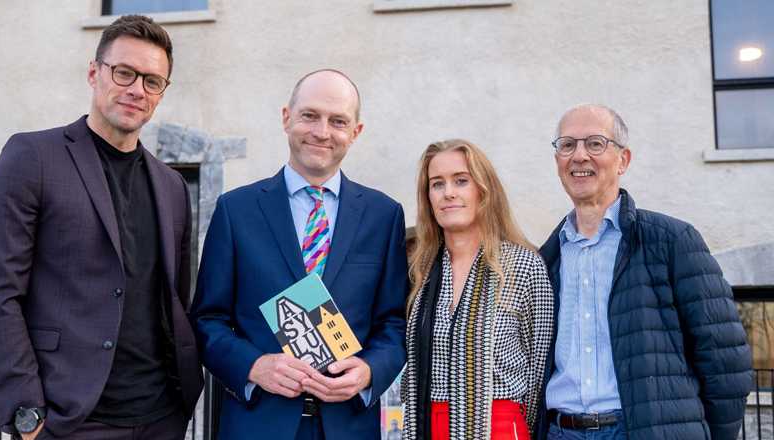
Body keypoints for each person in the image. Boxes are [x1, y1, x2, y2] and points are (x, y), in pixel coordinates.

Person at [0, 15, 203, 440]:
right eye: (124, 72)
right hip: (69, 420)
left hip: (161, 417)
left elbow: (176, 299)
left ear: (161, 92)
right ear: (94, 73)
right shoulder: (32, 157)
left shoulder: (172, 185)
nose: (137, 89)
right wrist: (25, 414)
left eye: (152, 81)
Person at [190, 69, 409, 440]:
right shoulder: (236, 210)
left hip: (349, 426)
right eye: (310, 115)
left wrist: (370, 371)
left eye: (338, 121)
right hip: (257, 425)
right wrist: (254, 366)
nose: (322, 132)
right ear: (286, 118)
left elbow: (392, 323)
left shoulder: (384, 216)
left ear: (355, 132)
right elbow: (207, 319)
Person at [535, 103, 752, 440]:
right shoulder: (545, 261)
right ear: (557, 161)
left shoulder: (672, 241)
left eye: (595, 143)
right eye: (567, 145)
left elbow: (724, 362)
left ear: (623, 160)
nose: (579, 156)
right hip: (561, 432)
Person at [401, 139, 555, 440]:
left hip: (498, 427)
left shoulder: (523, 266)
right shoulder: (420, 269)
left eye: (461, 181)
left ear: (484, 190)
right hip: (426, 426)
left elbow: (540, 370)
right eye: (437, 184)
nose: (448, 193)